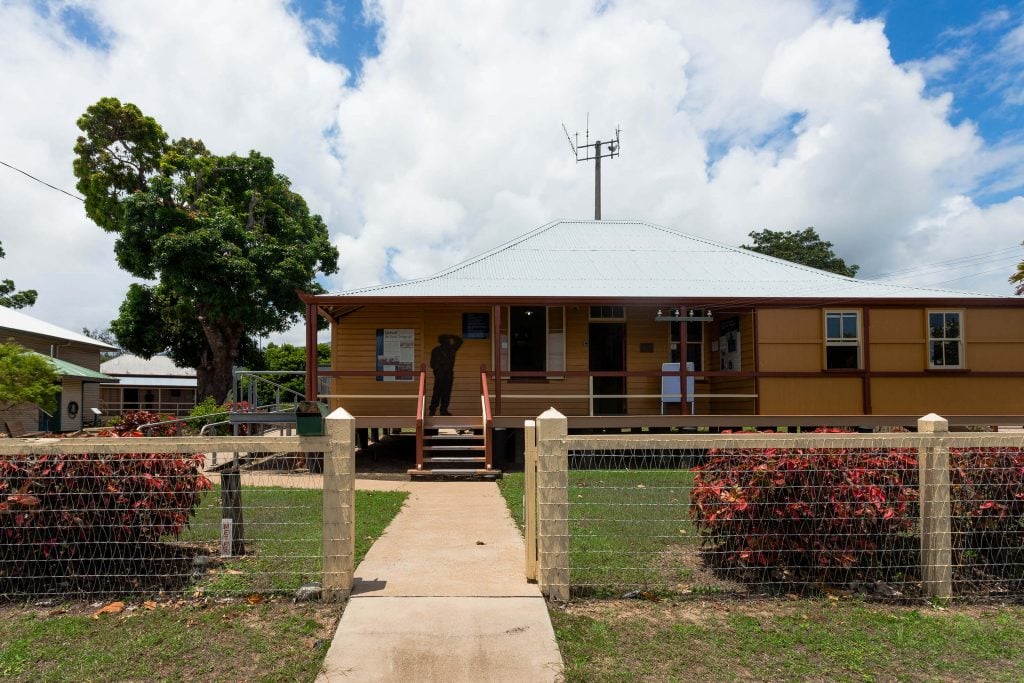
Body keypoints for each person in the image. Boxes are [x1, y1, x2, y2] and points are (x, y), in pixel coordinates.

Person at [429, 334, 463, 416]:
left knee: (445, 393)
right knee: (438, 392)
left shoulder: (451, 349)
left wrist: (450, 335)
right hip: (441, 375)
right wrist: (439, 370)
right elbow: (432, 364)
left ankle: (442, 410)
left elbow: (459, 341)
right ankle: (433, 410)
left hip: (447, 374)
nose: (449, 341)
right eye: (447, 339)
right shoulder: (439, 350)